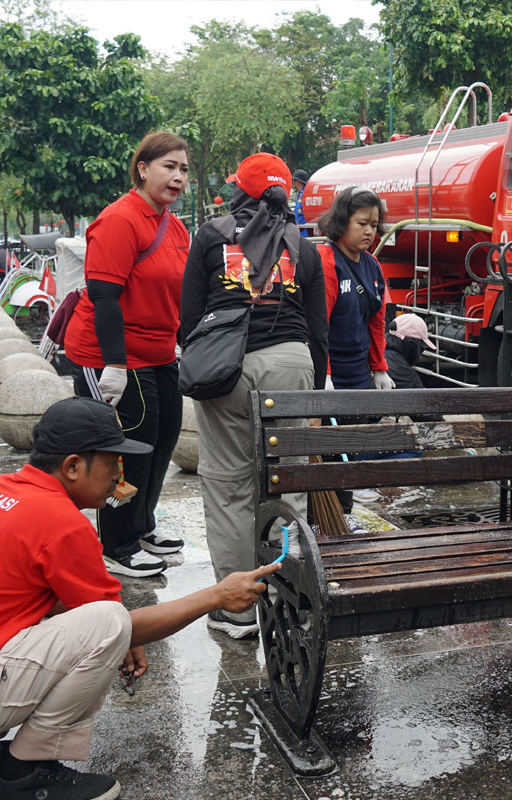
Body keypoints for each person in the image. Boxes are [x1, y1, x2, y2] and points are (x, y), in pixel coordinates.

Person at [0, 397, 280, 800]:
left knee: (103, 623)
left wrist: (127, 637)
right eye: (111, 464)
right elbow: (115, 623)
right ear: (73, 466)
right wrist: (216, 595)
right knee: (109, 623)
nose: (118, 476)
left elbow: (55, 601)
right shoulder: (61, 523)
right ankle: (25, 773)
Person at [179, 152, 328, 639]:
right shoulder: (303, 248)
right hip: (291, 365)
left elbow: (189, 319)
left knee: (228, 488)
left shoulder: (210, 236)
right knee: (287, 484)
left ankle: (237, 612)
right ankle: (288, 600)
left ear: (240, 191)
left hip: (226, 367)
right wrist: (313, 398)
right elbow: (318, 332)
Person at [63, 131, 191, 578]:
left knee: (162, 441)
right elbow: (103, 297)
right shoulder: (119, 219)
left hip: (159, 353)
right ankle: (116, 542)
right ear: (142, 169)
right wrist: (113, 365)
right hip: (113, 354)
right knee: (127, 449)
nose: (178, 177)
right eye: (168, 167)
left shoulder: (173, 226)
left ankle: (141, 524)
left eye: (183, 169)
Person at [316, 186, 393, 525]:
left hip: (359, 371)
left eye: (374, 225)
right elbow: (319, 323)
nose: (369, 231)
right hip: (333, 371)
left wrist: (380, 368)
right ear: (341, 222)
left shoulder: (373, 266)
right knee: (330, 448)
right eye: (362, 223)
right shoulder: (326, 260)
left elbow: (378, 320)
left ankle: (344, 509)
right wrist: (325, 373)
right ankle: (330, 515)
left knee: (354, 440)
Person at [292, 168, 310, 237]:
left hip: (304, 232)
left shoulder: (306, 193)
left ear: (298, 181)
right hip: (299, 231)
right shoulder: (300, 193)